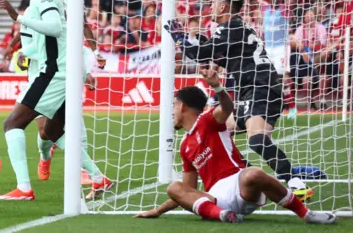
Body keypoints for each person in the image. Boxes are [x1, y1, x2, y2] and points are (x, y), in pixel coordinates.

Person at [133, 69, 336, 225]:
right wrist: (158, 210)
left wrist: (218, 88)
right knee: (174, 187)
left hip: (240, 188)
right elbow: (189, 190)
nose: (172, 111)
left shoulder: (208, 120)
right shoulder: (185, 146)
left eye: (174, 106)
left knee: (253, 174)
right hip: (214, 200)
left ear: (182, 106)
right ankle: (223, 215)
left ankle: (307, 214)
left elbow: (228, 108)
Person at [165, 0, 312, 200]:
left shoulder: (228, 27)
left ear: (223, 6)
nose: (211, 7)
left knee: (257, 140)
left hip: (259, 88)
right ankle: (250, 179)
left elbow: (199, 54)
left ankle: (296, 185)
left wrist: (178, 37)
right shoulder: (239, 27)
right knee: (218, 131)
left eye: (213, 3)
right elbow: (232, 57)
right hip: (260, 88)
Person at [0, 0, 111, 201]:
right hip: (63, 71)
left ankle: (24, 187)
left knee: (12, 123)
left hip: (53, 72)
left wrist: (19, 18)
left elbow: (55, 27)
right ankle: (98, 177)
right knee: (53, 132)